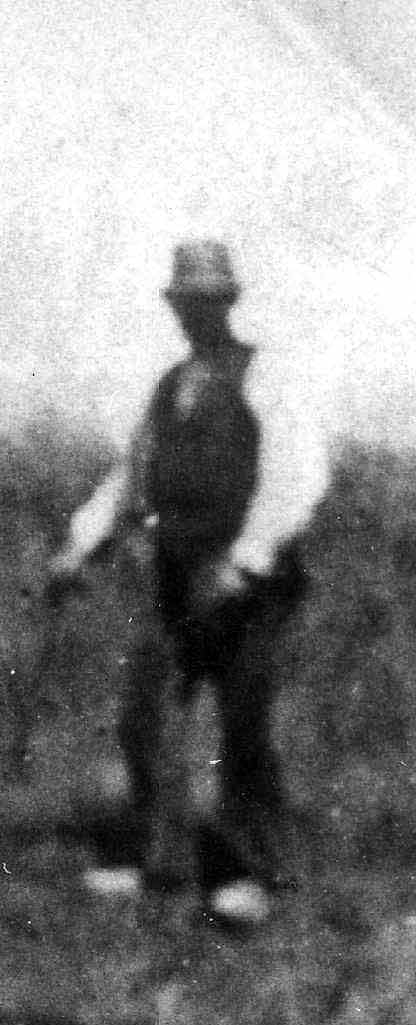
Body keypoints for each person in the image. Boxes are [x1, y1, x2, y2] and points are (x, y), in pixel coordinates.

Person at [45, 238, 333, 932]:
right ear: (173, 306)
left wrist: (248, 558)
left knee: (242, 726)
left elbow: (299, 475)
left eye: (208, 301)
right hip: (176, 574)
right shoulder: (169, 385)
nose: (195, 313)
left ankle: (246, 877)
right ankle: (137, 856)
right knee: (141, 714)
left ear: (229, 303)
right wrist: (80, 548)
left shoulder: (265, 377)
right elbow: (130, 475)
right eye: (185, 302)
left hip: (248, 582)